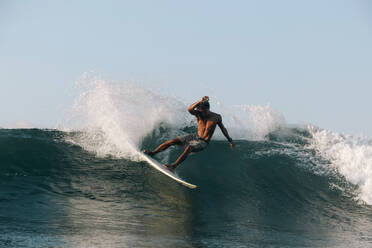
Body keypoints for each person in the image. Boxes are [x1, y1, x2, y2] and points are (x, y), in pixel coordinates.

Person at [144, 96, 235, 171]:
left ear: (208, 109)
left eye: (202, 110)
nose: (200, 112)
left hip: (204, 141)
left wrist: (230, 140)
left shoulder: (216, 117)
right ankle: (153, 153)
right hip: (195, 136)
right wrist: (200, 101)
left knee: (190, 147)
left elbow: (223, 128)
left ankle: (173, 166)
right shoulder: (199, 114)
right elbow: (190, 109)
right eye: (199, 110)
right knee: (172, 141)